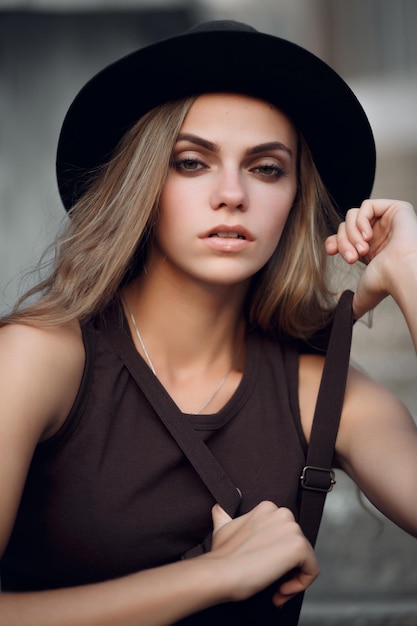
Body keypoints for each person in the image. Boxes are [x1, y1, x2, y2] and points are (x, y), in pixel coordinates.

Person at [0, 19, 416, 626]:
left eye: (267, 168)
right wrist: (212, 576)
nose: (232, 194)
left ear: (296, 198)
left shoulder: (320, 392)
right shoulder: (37, 359)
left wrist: (411, 273)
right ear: (142, 184)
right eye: (192, 163)